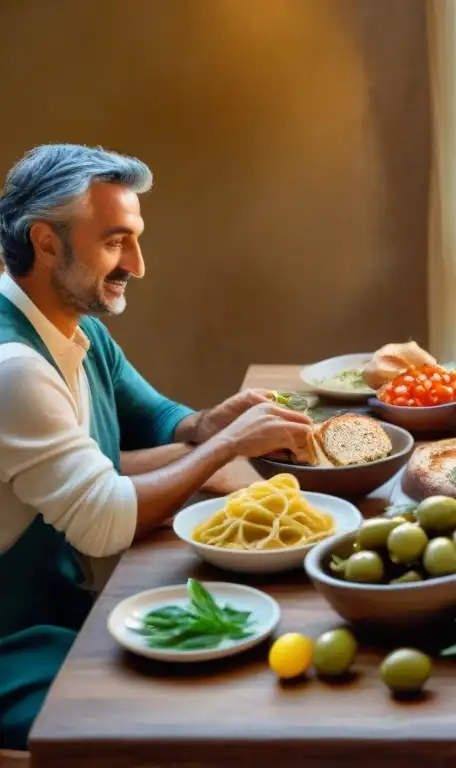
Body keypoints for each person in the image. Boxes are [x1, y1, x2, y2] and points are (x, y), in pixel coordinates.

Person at [0, 144, 314, 750]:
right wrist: (224, 448)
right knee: (181, 728)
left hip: (70, 611)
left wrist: (205, 425)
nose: (138, 265)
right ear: (45, 242)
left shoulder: (76, 326)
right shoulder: (15, 367)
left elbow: (157, 420)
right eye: (116, 241)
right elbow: (105, 522)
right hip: (17, 642)